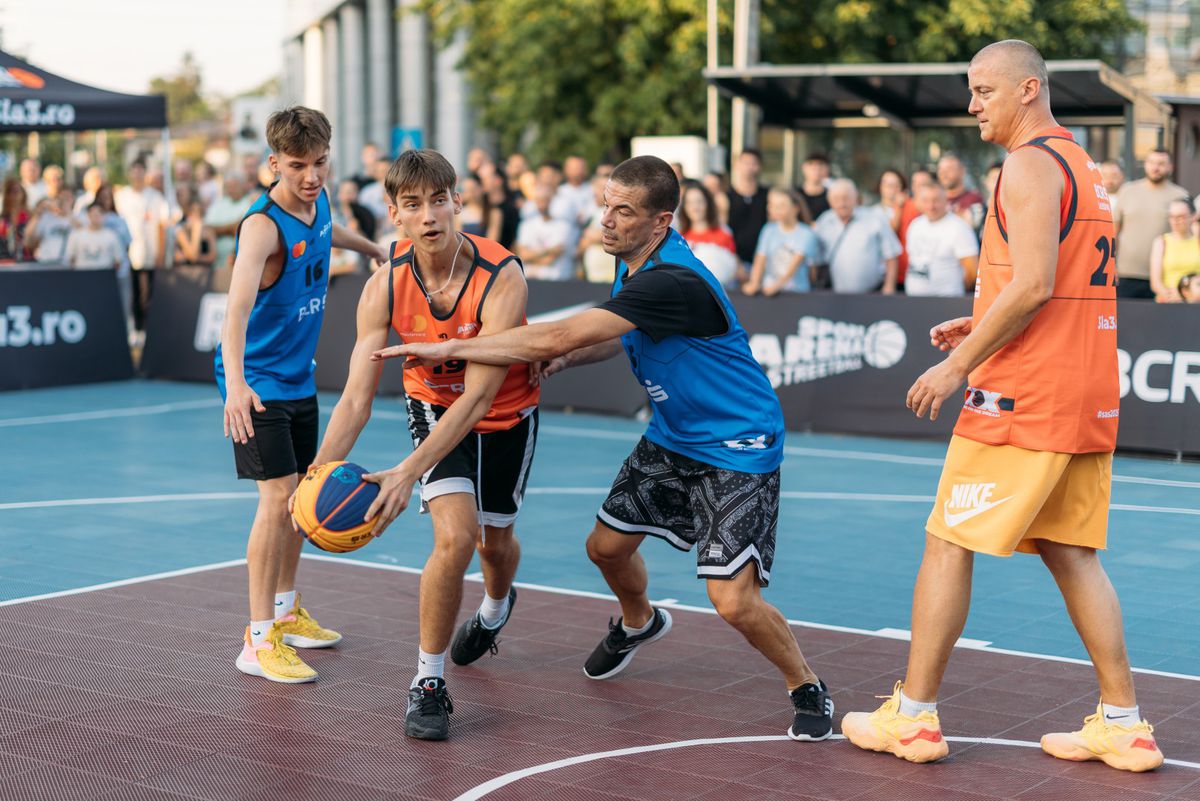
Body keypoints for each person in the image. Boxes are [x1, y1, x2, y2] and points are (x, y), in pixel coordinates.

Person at [373, 155, 836, 743]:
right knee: (606, 547)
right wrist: (567, 358)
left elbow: (566, 329)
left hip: (736, 444)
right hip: (673, 434)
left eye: (624, 211)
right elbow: (613, 335)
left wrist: (450, 351)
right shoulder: (635, 264)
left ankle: (805, 684)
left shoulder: (673, 278)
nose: (607, 220)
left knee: (733, 601)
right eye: (606, 204)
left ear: (661, 221)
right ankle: (639, 621)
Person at [841, 39, 1164, 773]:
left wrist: (960, 361)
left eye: (984, 90)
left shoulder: (1025, 163)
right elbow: (1042, 281)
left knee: (947, 539)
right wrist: (980, 316)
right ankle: (1125, 723)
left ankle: (914, 718)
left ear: (1028, 89)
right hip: (1084, 384)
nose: (972, 104)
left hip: (1025, 391)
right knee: (1072, 550)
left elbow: (1035, 284)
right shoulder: (1081, 163)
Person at [302, 148, 540, 742]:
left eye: (439, 200)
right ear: (395, 215)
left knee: (497, 542)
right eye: (414, 205)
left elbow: (480, 397)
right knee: (456, 537)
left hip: (505, 410)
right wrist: (317, 471)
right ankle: (428, 682)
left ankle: (494, 608)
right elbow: (357, 397)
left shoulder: (501, 275)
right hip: (432, 403)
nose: (430, 214)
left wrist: (406, 471)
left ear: (458, 203)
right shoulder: (384, 285)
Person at [216, 107, 387, 687]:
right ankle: (258, 639)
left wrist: (369, 248)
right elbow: (235, 310)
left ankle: (287, 613)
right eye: (297, 166)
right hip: (258, 380)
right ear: (273, 164)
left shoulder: (318, 203)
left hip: (298, 375)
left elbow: (324, 231)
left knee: (303, 494)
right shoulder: (261, 227)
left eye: (319, 163)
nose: (311, 176)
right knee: (279, 498)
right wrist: (236, 385)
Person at [1114, 150, 1189, 299]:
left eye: (1161, 164)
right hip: (1127, 274)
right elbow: (1113, 231)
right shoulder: (1127, 191)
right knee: (1126, 320)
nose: (1156, 168)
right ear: (1145, 165)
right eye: (1152, 163)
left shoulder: (1180, 196)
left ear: (1170, 167)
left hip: (1165, 279)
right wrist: (1111, 266)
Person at [813, 179, 901, 294]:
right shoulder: (824, 221)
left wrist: (889, 286)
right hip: (834, 295)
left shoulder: (874, 219)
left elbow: (892, 254)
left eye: (846, 198)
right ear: (829, 201)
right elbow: (815, 257)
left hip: (872, 294)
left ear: (855, 198)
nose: (841, 203)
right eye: (836, 199)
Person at [116, 160, 169, 338]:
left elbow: (162, 225)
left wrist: (160, 253)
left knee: (149, 294)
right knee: (132, 293)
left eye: (140, 171)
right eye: (134, 171)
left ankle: (147, 330)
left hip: (149, 253)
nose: (137, 175)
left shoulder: (155, 196)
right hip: (127, 254)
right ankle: (135, 329)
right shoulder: (122, 196)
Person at [903, 183, 979, 297]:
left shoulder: (959, 228)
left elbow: (972, 273)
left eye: (936, 200)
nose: (930, 206)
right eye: (925, 200)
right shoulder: (915, 225)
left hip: (946, 302)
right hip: (912, 300)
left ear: (946, 201)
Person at [743, 187, 819, 295]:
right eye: (773, 205)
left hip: (796, 293)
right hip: (769, 293)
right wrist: (754, 282)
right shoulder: (768, 230)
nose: (776, 209)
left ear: (795, 208)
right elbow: (760, 259)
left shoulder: (806, 233)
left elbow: (795, 264)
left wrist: (777, 286)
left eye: (782, 205)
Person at [677, 182, 738, 287]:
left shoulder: (723, 234)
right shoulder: (679, 238)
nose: (695, 207)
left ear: (708, 204)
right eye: (690, 203)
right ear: (684, 207)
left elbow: (733, 269)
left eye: (699, 201)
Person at [515, 183, 573, 280]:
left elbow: (550, 259)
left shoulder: (563, 226)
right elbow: (522, 255)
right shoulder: (526, 225)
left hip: (555, 280)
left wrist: (532, 255)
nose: (542, 204)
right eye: (539, 200)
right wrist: (549, 250)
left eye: (545, 200)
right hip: (529, 278)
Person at [873, 169, 920, 288]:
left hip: (904, 272)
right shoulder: (872, 212)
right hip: (879, 272)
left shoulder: (911, 208)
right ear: (880, 187)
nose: (891, 189)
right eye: (887, 184)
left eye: (896, 185)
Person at [1149, 198, 1200, 303]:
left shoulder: (1197, 242)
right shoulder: (1161, 242)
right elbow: (1155, 282)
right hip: (1167, 303)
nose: (1175, 221)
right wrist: (1173, 297)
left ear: (1193, 217)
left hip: (1195, 304)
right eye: (1172, 216)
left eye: (1181, 217)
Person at [726, 149, 769, 270]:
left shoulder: (768, 195)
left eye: (753, 163)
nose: (749, 167)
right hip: (733, 261)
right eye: (745, 162)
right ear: (737, 165)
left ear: (759, 167)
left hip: (762, 262)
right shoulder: (725, 197)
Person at [205, 175, 256, 270]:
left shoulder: (250, 202)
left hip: (239, 263)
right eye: (229, 187)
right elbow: (207, 228)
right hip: (216, 264)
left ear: (243, 186)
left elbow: (241, 229)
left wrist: (218, 230)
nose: (231, 190)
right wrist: (230, 228)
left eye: (234, 186)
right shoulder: (219, 203)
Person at [65, 202, 125, 270]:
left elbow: (118, 260)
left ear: (104, 216)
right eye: (94, 214)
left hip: (104, 275)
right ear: (88, 215)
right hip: (82, 275)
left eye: (99, 214)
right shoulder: (76, 235)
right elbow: (71, 258)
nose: (96, 217)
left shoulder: (112, 236)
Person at [937, 154, 984, 230]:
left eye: (949, 169)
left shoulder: (974, 199)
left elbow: (974, 228)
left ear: (962, 171)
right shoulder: (934, 200)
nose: (944, 173)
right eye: (940, 169)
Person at [173, 199, 216, 267]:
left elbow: (212, 257)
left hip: (205, 271)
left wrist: (187, 256)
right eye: (192, 212)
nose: (195, 216)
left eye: (198, 212)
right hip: (184, 272)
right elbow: (190, 256)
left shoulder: (208, 231)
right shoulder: (181, 232)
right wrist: (196, 231)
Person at [0, 178, 32, 262]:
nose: (15, 193)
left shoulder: (30, 216)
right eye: (11, 191)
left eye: (18, 190)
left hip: (26, 259)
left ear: (23, 193)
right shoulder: (3, 217)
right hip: (4, 260)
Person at [798, 153, 831, 220]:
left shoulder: (831, 196)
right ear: (804, 168)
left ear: (827, 169)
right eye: (812, 167)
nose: (817, 171)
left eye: (820, 167)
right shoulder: (795, 194)